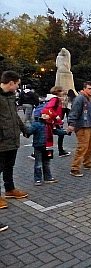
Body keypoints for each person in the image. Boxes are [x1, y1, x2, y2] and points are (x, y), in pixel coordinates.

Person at [0, 71, 29, 210]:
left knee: (9, 166)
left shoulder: (11, 97)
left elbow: (15, 117)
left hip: (12, 138)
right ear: (11, 83)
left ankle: (9, 189)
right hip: (1, 140)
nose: (18, 87)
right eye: (17, 84)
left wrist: (24, 129)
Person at [68, 81, 91, 177]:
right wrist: (71, 124)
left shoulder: (87, 98)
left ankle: (87, 163)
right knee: (82, 147)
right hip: (82, 126)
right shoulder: (80, 98)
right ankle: (74, 168)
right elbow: (74, 112)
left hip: (88, 125)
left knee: (89, 146)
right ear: (84, 88)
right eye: (89, 88)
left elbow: (89, 111)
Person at [25, 112, 64, 185]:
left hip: (48, 146)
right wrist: (26, 130)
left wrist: (66, 132)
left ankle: (48, 177)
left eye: (48, 115)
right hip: (39, 146)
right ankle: (37, 179)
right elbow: (29, 131)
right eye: (45, 114)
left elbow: (55, 131)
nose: (47, 116)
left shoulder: (50, 124)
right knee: (38, 163)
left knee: (47, 163)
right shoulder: (37, 124)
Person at [43, 86, 71, 157]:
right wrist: (56, 117)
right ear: (57, 92)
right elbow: (49, 108)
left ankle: (59, 150)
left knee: (50, 135)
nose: (63, 93)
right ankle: (60, 150)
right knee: (52, 135)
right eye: (61, 91)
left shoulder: (52, 99)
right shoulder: (55, 99)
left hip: (52, 120)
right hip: (53, 120)